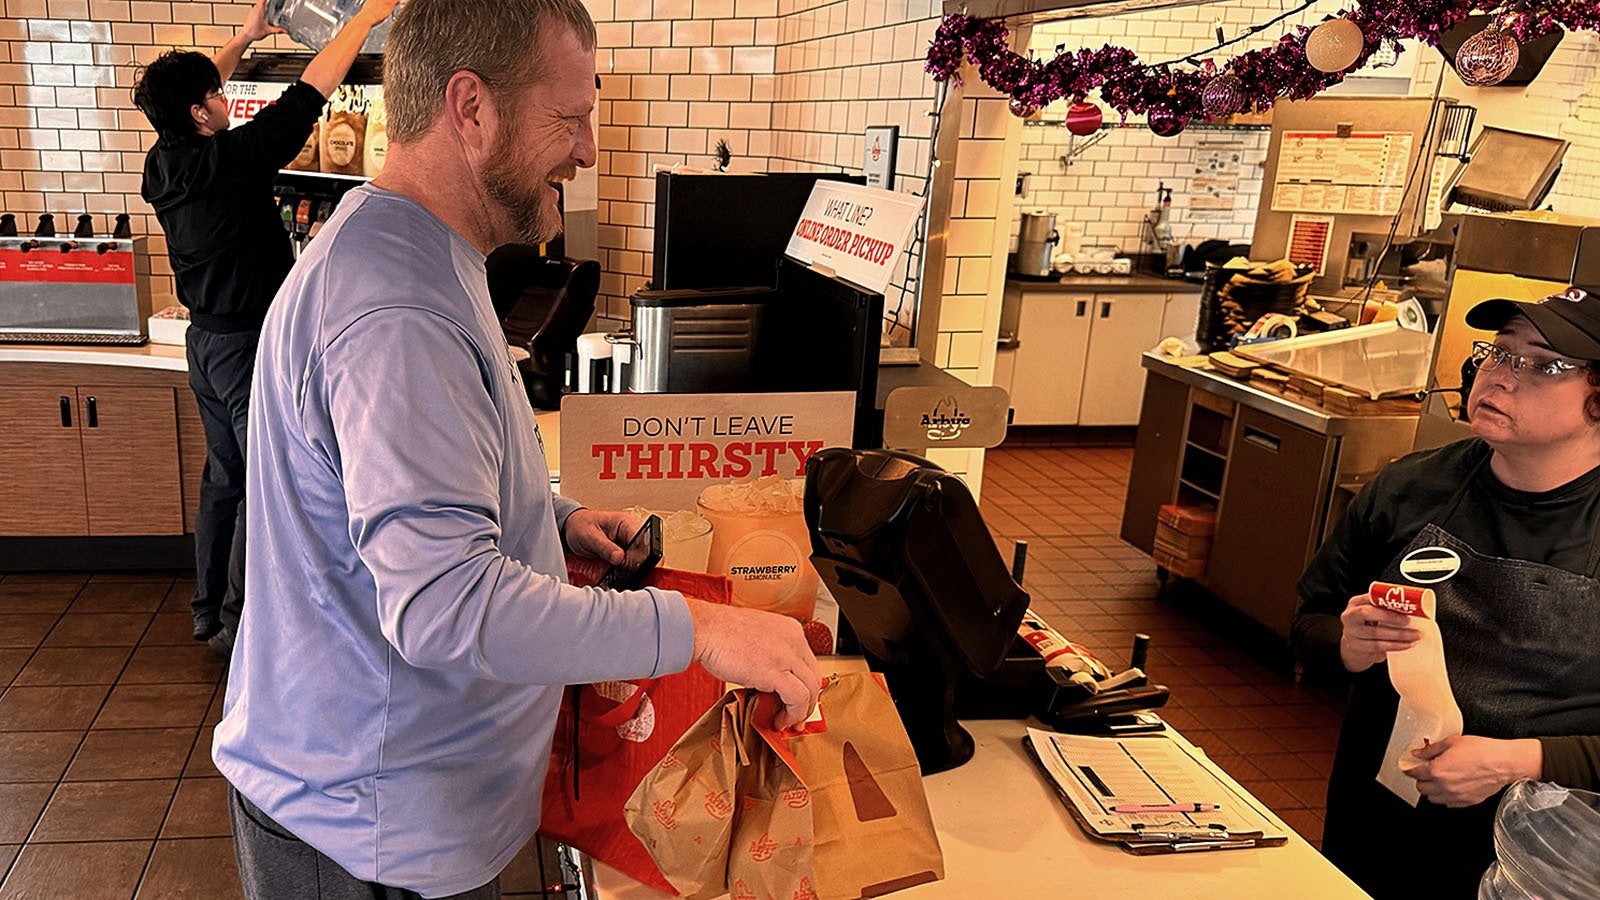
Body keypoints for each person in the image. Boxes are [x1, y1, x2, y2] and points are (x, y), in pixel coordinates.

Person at [211, 2, 822, 898]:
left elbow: (414, 498)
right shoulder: (398, 312)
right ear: (471, 108)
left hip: (398, 812)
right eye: (569, 119)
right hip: (367, 836)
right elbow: (446, 606)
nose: (587, 150)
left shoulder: (423, 253)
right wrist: (703, 630)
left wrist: (555, 520)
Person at [1293, 286, 1600, 899]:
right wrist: (1347, 647)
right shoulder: (1412, 485)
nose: (1502, 377)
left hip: (1538, 842)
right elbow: (1311, 622)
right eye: (1499, 352)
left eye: (1545, 365)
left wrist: (1521, 760)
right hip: (1380, 806)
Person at [134, 0, 399, 657]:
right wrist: (364, 21)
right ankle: (237, 620)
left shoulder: (165, 162)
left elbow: (193, 94)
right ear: (201, 113)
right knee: (262, 483)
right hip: (249, 348)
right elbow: (313, 90)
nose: (224, 98)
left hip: (205, 346)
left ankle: (206, 610)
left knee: (225, 478)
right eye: (215, 96)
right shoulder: (234, 160)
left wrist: (247, 38)